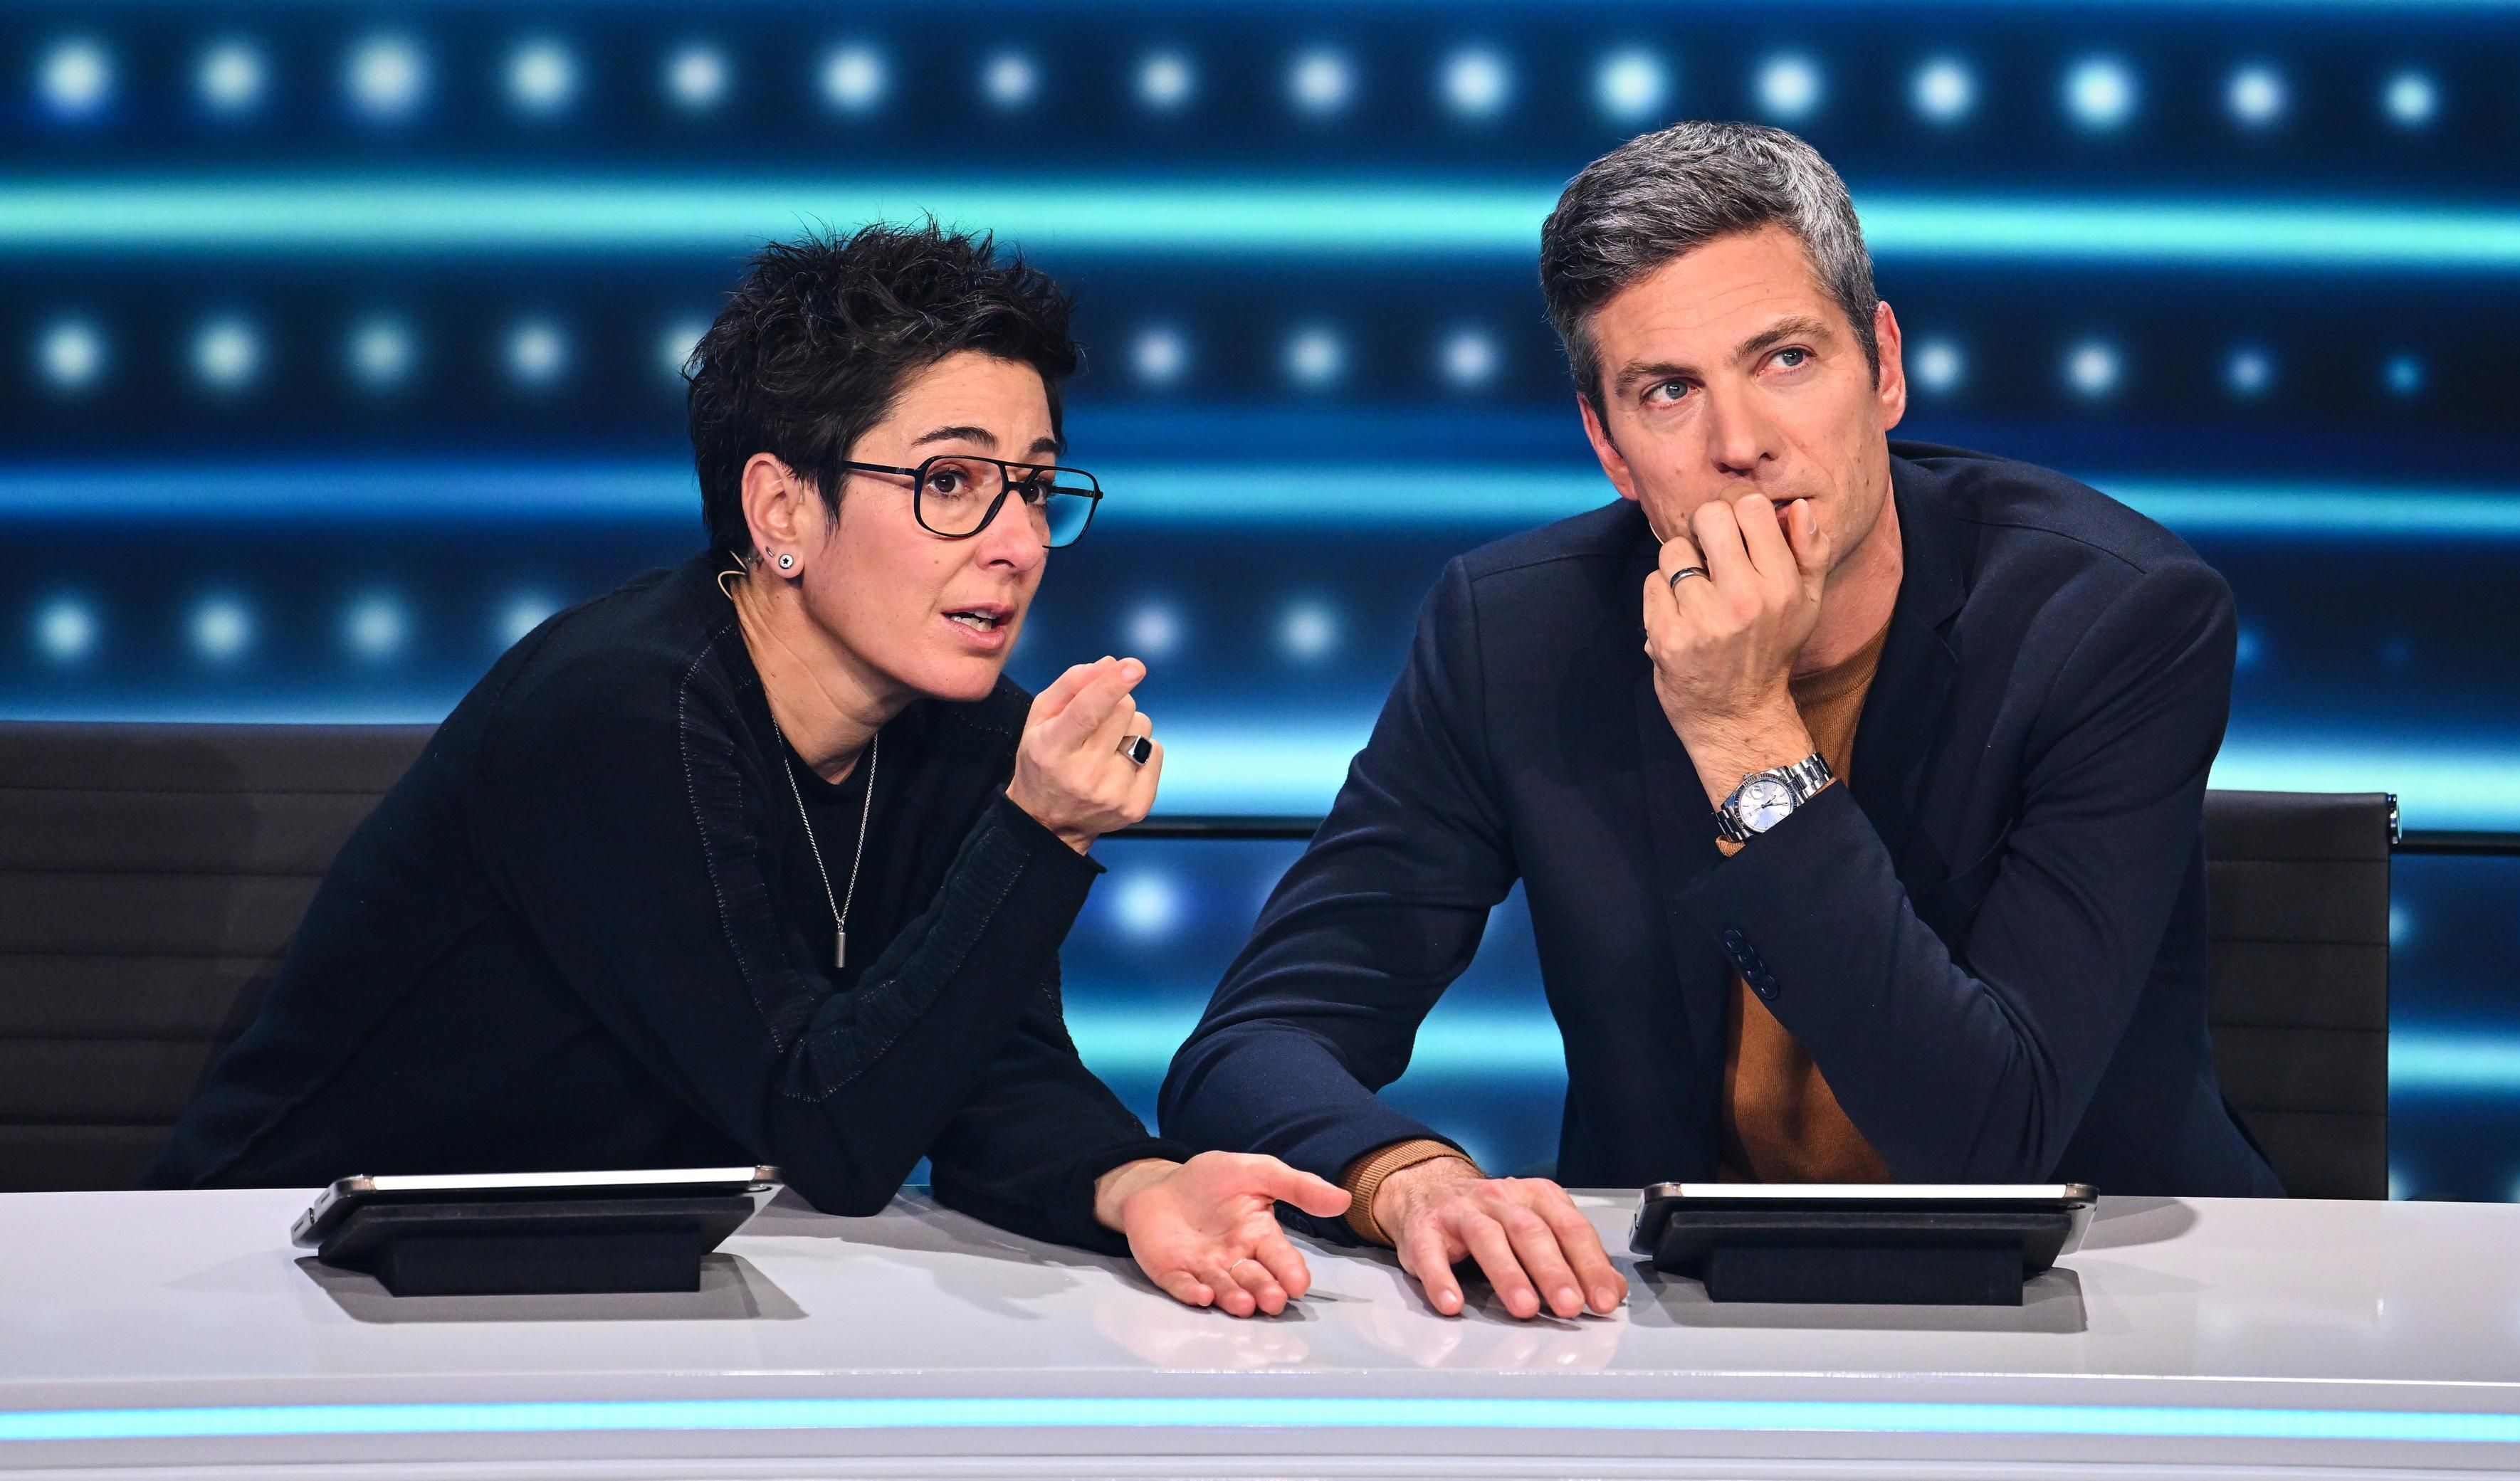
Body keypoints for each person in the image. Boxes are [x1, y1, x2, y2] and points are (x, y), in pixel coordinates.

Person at [1160, 122, 2282, 1323]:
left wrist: (1743, 726)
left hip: (2105, 1311)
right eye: (1669, 392)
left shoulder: (2113, 621)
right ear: (1610, 447)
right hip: (1667, 1320)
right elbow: (1252, 1043)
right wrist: (1407, 1176)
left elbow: (1983, 1148)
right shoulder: (1516, 634)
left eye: (1787, 359)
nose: (1741, 445)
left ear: (1884, 367)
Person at [145, 223, 1347, 1319]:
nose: (1021, 542)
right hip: (286, 1284)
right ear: (780, 508)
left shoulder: (971, 730)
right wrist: (1038, 837)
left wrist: (1137, 1185)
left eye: (1033, 485)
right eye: (952, 482)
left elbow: (987, 1071)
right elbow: (825, 1128)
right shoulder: (619, 713)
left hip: (626, 1292)